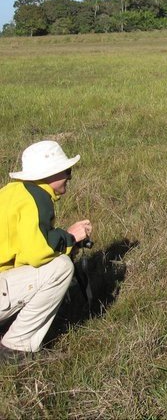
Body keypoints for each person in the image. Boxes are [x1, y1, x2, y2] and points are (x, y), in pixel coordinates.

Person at [0, 141, 92, 363]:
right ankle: (15, 349)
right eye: (66, 171)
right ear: (49, 174)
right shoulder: (36, 199)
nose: (70, 177)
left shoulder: (12, 191)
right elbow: (37, 252)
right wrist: (70, 238)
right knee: (60, 268)